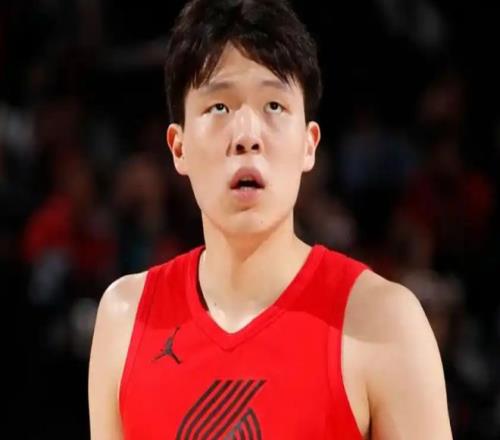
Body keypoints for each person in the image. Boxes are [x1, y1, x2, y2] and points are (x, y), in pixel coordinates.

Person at [88, 0, 453, 438]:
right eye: (218, 107)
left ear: (309, 144)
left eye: (274, 106)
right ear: (178, 147)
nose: (247, 136)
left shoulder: (383, 322)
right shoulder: (125, 319)